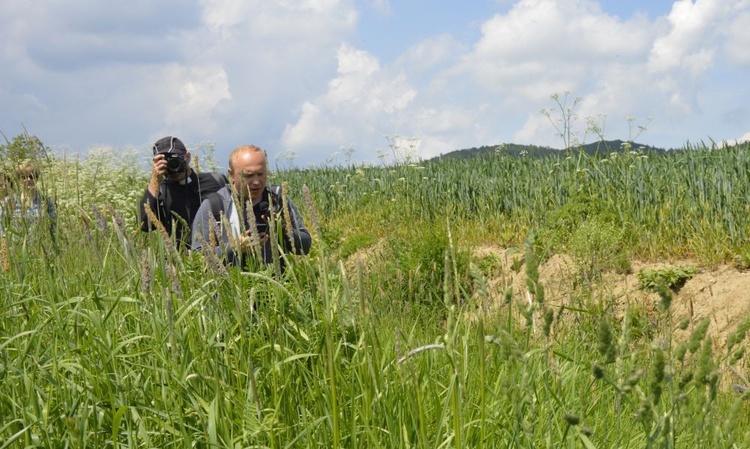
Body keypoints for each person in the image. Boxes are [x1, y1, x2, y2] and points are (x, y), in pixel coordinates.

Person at [191, 145, 311, 269]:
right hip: (233, 284)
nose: (256, 182)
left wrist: (284, 229)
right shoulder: (214, 205)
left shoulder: (278, 200)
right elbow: (198, 255)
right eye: (248, 176)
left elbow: (306, 245)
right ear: (231, 174)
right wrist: (236, 247)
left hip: (278, 283)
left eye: (261, 174)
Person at [138, 136, 227, 249]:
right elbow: (144, 225)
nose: (172, 166)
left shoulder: (215, 181)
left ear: (187, 157)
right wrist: (155, 181)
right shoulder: (161, 192)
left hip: (220, 256)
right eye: (165, 162)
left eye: (175, 159)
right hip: (182, 261)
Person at [0, 161, 56, 239]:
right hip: (17, 247)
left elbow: (53, 226)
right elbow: (2, 226)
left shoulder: (46, 201)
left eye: (32, 176)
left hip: (40, 247)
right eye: (24, 177)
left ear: (37, 178)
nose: (29, 179)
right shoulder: (10, 200)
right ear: (19, 179)